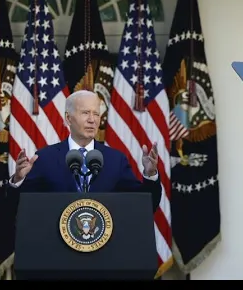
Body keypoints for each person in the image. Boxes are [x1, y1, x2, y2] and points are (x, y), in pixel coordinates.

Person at [8, 89, 162, 212]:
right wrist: (18, 180)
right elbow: (19, 206)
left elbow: (144, 205)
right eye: (85, 113)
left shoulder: (116, 160)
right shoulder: (45, 158)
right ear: (68, 118)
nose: (92, 120)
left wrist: (150, 175)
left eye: (96, 114)